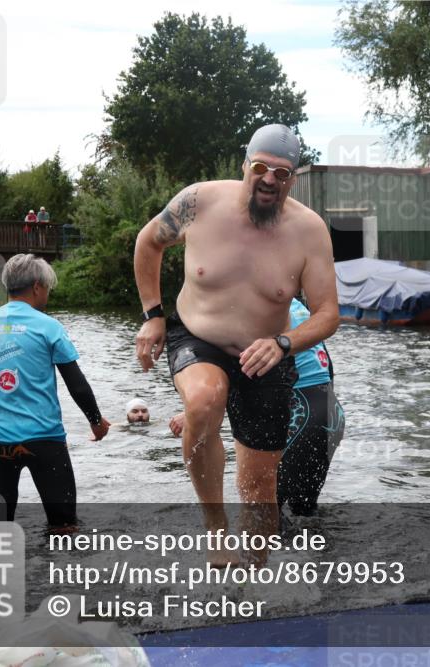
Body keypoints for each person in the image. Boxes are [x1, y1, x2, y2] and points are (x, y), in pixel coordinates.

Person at [134, 123, 339, 566]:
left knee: (260, 492)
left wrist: (284, 343)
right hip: (197, 337)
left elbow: (327, 314)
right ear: (245, 165)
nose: (269, 179)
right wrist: (153, 316)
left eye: (282, 174)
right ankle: (214, 527)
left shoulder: (309, 231)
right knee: (205, 400)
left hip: (265, 356)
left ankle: (250, 591)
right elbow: (148, 243)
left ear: (293, 179)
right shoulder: (199, 202)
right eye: (261, 168)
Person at [0, 254, 111, 529]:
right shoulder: (48, 326)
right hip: (46, 441)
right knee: (65, 530)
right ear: (37, 286)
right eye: (47, 287)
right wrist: (96, 421)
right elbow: (77, 384)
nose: (47, 293)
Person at [170, 298, 345, 516]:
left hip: (299, 414)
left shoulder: (254, 309)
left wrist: (195, 414)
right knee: (305, 514)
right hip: (330, 413)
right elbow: (326, 369)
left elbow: (244, 377)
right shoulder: (297, 309)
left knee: (264, 512)